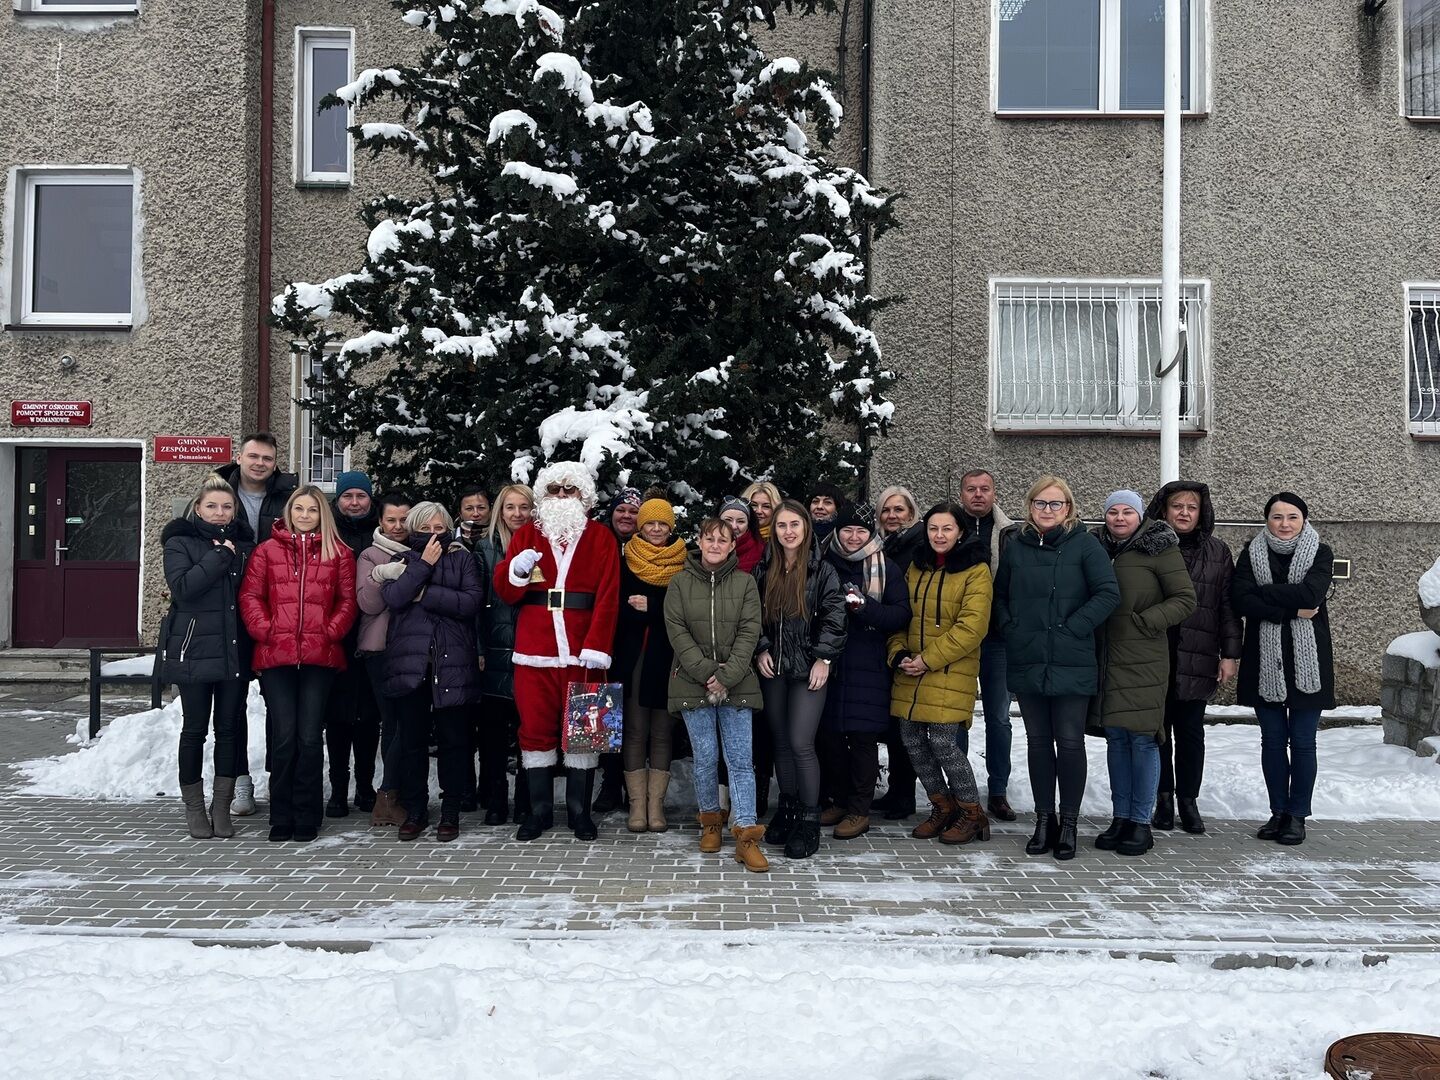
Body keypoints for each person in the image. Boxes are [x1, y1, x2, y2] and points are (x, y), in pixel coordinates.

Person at [493, 461, 621, 842]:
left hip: (586, 651)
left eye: (570, 490)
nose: (562, 497)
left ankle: (581, 815)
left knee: (589, 732)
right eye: (554, 490)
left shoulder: (601, 537)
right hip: (535, 650)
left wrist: (598, 646)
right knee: (534, 730)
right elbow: (507, 593)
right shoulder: (527, 535)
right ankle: (539, 813)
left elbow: (609, 597)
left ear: (584, 497)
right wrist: (515, 571)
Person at [994, 476, 1119, 861]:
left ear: (1069, 508)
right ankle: (1043, 819)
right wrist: (1011, 629)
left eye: (1056, 504)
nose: (1047, 510)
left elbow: (1108, 593)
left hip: (1071, 658)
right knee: (1036, 742)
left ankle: (1069, 823)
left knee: (1068, 742)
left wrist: (1074, 627)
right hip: (1028, 656)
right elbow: (999, 597)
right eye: (1040, 504)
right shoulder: (1015, 547)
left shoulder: (1085, 545)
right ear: (1030, 506)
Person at [239, 485, 357, 843]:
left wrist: (331, 630)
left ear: (322, 515)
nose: (305, 516)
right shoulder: (266, 551)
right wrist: (265, 629)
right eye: (299, 509)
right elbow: (250, 595)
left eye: (312, 510)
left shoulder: (338, 553)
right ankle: (281, 813)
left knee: (309, 736)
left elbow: (347, 601)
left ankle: (308, 813)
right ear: (289, 512)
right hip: (277, 656)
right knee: (284, 736)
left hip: (320, 656)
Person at [1089, 491, 1196, 858]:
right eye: (1113, 512)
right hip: (1106, 656)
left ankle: (1140, 822)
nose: (1119, 518)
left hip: (1144, 658)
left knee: (1143, 739)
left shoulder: (1160, 548)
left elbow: (1185, 598)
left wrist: (1146, 622)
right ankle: (1120, 818)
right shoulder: (1098, 548)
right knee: (1116, 739)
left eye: (1127, 512)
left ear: (1140, 516)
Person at [376, 501, 485, 842]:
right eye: (426, 529)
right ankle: (416, 809)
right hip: (412, 664)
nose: (434, 535)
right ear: (414, 530)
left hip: (452, 664)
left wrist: (426, 594)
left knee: (455, 741)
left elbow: (471, 602)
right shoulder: (403, 562)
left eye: (440, 528)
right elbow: (394, 597)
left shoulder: (463, 559)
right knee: (412, 741)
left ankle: (450, 810)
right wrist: (423, 567)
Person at [664, 517, 769, 871]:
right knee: (706, 757)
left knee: (740, 760)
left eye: (722, 540)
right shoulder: (679, 583)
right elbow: (677, 631)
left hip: (737, 683)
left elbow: (749, 630)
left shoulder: (745, 583)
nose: (714, 545)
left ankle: (746, 835)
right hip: (692, 684)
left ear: (732, 545)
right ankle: (710, 820)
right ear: (699, 540)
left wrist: (728, 674)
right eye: (709, 538)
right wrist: (708, 672)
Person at [1232, 493, 1335, 847]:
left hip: (1309, 664)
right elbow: (1241, 599)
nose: (1285, 523)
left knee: (1303, 742)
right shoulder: (1251, 552)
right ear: (1267, 520)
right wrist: (1289, 609)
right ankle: (1278, 812)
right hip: (1264, 662)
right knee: (1273, 741)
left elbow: (1312, 593)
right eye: (1277, 517)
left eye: (1292, 516)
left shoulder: (1320, 553)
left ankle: (1297, 815)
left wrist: (1267, 595)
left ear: (1304, 519)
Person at [887, 501, 994, 845]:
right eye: (933, 528)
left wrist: (927, 659)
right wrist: (899, 653)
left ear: (960, 531)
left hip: (950, 670)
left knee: (945, 743)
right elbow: (900, 614)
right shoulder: (916, 567)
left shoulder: (976, 571)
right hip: (912, 671)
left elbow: (971, 627)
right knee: (913, 741)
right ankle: (943, 806)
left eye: (947, 528)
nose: (939, 535)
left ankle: (973, 813)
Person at [1144, 481, 1243, 835]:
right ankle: (1163, 797)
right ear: (1163, 510)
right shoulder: (1147, 548)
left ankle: (1188, 799)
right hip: (1155, 655)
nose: (1184, 512)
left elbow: (1227, 607)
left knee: (1190, 733)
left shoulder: (1217, 552)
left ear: (1202, 513)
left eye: (1191, 507)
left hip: (1199, 655)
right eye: (1177, 506)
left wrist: (1230, 653)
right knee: (1158, 733)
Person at [161, 474, 255, 839]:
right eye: (212, 506)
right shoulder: (179, 542)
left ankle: (222, 806)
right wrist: (219, 556)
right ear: (198, 507)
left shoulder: (244, 544)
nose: (220, 513)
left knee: (229, 730)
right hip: (193, 651)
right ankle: (195, 808)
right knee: (195, 730)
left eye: (227, 507)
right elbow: (183, 588)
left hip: (233, 651)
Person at [754, 499, 847, 859]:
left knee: (800, 741)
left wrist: (824, 657)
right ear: (774, 531)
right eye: (781, 526)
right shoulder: (765, 568)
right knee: (779, 741)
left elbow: (836, 618)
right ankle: (788, 808)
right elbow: (753, 616)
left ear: (806, 528)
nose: (788, 532)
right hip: (774, 668)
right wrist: (761, 648)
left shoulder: (823, 570)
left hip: (809, 668)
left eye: (795, 525)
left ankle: (808, 820)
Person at [216, 431, 297, 817]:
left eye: (267, 458)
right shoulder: (217, 492)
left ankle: (276, 779)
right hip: (228, 613)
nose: (260, 463)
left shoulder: (289, 496)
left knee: (279, 704)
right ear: (240, 457)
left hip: (278, 614)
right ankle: (241, 783)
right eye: (254, 456)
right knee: (231, 707)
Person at [821, 503, 910, 839]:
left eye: (861, 530)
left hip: (869, 665)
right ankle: (839, 800)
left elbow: (901, 614)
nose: (854, 536)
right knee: (829, 736)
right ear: (838, 532)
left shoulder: (885, 567)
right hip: (830, 662)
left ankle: (859, 810)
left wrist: (866, 608)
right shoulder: (823, 561)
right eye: (848, 530)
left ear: (870, 533)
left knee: (862, 739)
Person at [614, 498, 688, 832]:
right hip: (633, 657)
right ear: (640, 527)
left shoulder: (686, 563)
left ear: (671, 527)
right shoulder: (625, 558)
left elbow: (688, 612)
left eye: (662, 524)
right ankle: (636, 807)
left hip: (670, 657)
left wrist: (653, 607)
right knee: (634, 729)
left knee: (662, 731)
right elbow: (616, 606)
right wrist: (643, 610)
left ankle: (655, 807)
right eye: (649, 524)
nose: (656, 530)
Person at [955, 468, 1020, 822]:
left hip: (997, 639)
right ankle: (961, 792)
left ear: (994, 493)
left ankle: (998, 791)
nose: (978, 495)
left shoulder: (1011, 533)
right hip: (959, 639)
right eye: (971, 489)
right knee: (957, 717)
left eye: (984, 489)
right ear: (961, 493)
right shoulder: (947, 528)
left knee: (998, 718)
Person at [475, 483, 535, 825]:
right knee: (494, 735)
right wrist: (480, 649)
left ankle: (526, 800)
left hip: (530, 650)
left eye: (523, 507)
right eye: (510, 507)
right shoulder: (485, 548)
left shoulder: (542, 548)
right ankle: (496, 800)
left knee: (530, 731)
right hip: (495, 653)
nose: (517, 514)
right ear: (501, 511)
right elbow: (477, 604)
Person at [355, 490, 413, 828]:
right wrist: (383, 575)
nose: (397, 526)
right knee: (393, 722)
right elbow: (370, 606)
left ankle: (398, 792)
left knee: (408, 723)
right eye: (390, 519)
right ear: (380, 521)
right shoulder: (370, 556)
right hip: (381, 649)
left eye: (403, 519)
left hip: (413, 648)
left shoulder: (424, 550)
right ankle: (387, 795)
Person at [324, 470, 380, 817]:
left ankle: (365, 786)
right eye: (348, 497)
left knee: (370, 717)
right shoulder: (329, 532)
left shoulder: (380, 532)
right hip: (336, 637)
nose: (355, 503)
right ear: (339, 499)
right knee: (338, 717)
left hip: (373, 636)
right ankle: (338, 788)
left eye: (361, 496)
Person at [872, 483, 924, 819]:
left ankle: (904, 795)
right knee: (891, 722)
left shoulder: (917, 546)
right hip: (882, 641)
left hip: (907, 642)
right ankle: (896, 791)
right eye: (886, 510)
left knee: (904, 722)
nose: (892, 515)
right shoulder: (880, 546)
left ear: (911, 512)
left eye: (898, 509)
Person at [593, 485, 644, 813]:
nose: (626, 516)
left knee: (633, 720)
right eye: (621, 510)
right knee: (602, 715)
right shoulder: (599, 541)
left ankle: (630, 786)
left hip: (636, 641)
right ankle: (608, 785)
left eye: (632, 511)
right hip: (601, 639)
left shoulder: (645, 549)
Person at [719, 496, 765, 573]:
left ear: (748, 524)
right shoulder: (706, 549)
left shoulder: (762, 552)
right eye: (728, 520)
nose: (734, 526)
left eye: (740, 521)